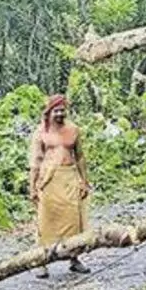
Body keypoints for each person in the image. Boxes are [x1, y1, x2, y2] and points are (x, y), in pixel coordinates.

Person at [28, 94, 91, 278]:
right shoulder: (41, 132)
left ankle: (74, 259)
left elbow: (79, 156)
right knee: (46, 220)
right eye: (56, 111)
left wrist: (84, 181)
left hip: (69, 177)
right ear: (49, 112)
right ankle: (42, 261)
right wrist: (32, 187)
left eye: (62, 110)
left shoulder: (73, 130)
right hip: (48, 180)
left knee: (73, 219)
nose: (60, 114)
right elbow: (35, 161)